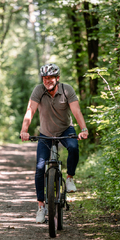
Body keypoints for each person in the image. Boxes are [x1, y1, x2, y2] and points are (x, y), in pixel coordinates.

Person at [20, 64, 88, 224]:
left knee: (73, 147)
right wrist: (24, 130)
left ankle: (70, 178)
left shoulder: (67, 90)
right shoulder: (39, 90)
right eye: (44, 78)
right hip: (46, 133)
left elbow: (76, 111)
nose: (47, 81)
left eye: (50, 77)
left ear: (57, 78)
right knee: (39, 168)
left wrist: (83, 129)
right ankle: (41, 207)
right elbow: (30, 111)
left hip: (65, 130)